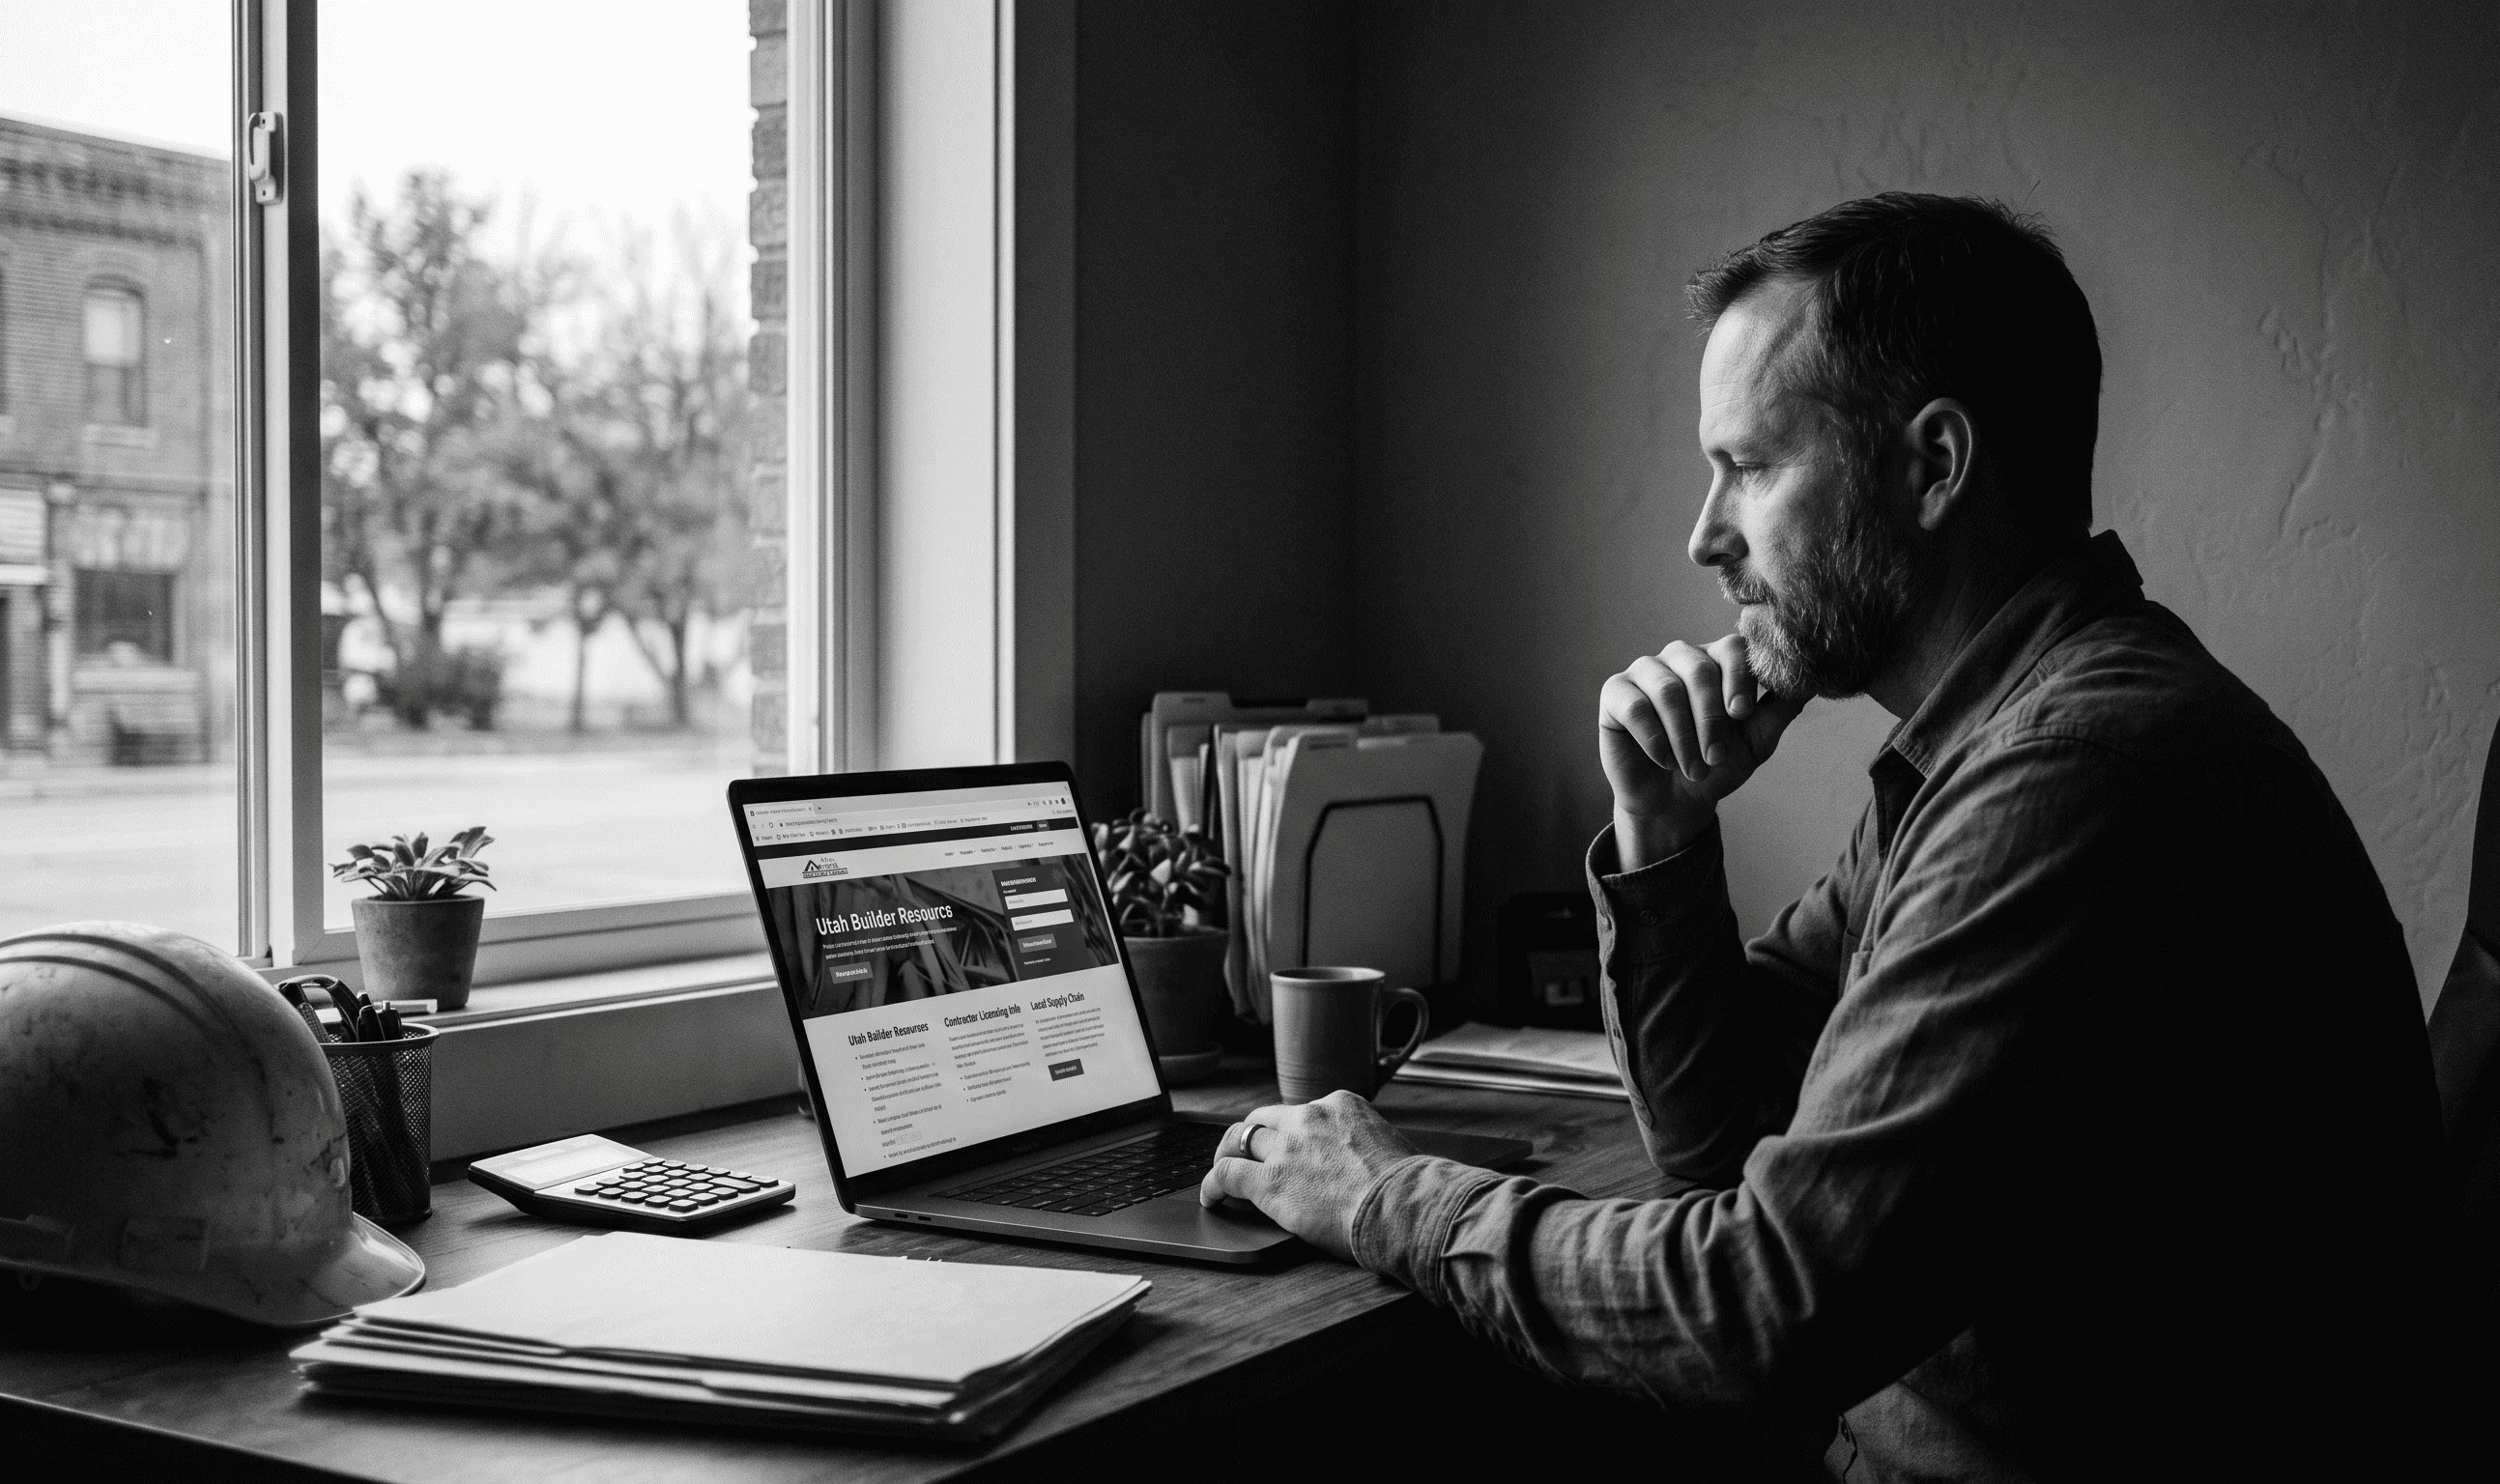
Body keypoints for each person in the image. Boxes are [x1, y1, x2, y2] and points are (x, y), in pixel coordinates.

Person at [1198, 193, 2455, 1479]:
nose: (1705, 535)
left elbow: (1764, 1309)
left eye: (1747, 466)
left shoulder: (2070, 780)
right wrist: (1662, 830)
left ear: (1933, 465)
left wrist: (1382, 1197)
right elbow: (1722, 1136)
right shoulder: (1982, 747)